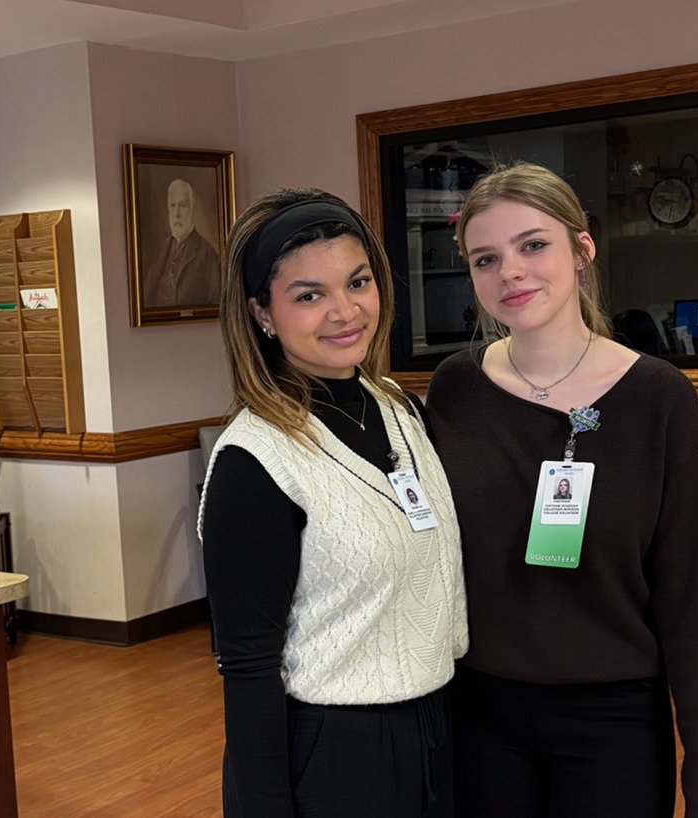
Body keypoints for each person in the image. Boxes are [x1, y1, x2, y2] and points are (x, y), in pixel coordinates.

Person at [427, 162, 698, 817]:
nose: (510, 271)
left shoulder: (658, 398)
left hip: (615, 720)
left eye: (533, 245)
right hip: (480, 714)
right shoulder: (454, 390)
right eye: (486, 258)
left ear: (582, 250)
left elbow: (687, 598)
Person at [198, 187, 467, 818]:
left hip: (435, 722)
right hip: (334, 752)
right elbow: (246, 667)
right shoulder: (256, 460)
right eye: (309, 295)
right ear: (263, 313)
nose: (345, 311)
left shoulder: (400, 409)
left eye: (358, 282)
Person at [144, 178, 221, 307]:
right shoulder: (161, 250)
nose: (177, 214)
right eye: (172, 206)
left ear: (192, 210)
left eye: (183, 205)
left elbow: (217, 304)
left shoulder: (208, 255)